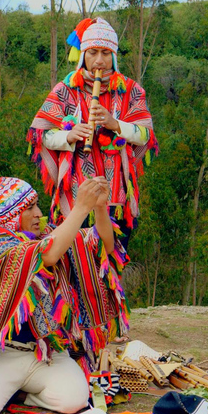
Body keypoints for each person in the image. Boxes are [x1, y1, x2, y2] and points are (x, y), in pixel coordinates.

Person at [0, 176, 129, 414]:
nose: (39, 214)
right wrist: (81, 208)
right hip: (3, 354)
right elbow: (47, 254)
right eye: (29, 208)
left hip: (46, 351)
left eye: (37, 206)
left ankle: (19, 395)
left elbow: (103, 245)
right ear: (9, 215)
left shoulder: (48, 236)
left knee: (75, 400)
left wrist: (98, 207)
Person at [28, 17, 157, 250]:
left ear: (114, 56)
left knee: (112, 259)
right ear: (83, 54)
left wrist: (115, 124)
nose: (99, 60)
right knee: (74, 259)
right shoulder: (66, 89)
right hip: (74, 194)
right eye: (93, 52)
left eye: (106, 53)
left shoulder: (130, 90)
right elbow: (40, 135)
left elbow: (146, 135)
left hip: (116, 197)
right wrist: (69, 136)